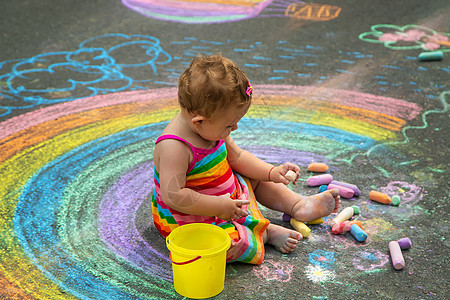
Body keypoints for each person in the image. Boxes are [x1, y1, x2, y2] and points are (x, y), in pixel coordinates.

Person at [152, 54, 340, 264]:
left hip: (228, 199)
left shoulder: (210, 129)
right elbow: (173, 195)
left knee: (255, 178)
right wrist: (217, 206)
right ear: (199, 122)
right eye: (229, 125)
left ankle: (298, 205)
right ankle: (266, 233)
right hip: (194, 215)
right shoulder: (174, 147)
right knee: (219, 248)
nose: (234, 128)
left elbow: (238, 158)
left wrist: (272, 172)